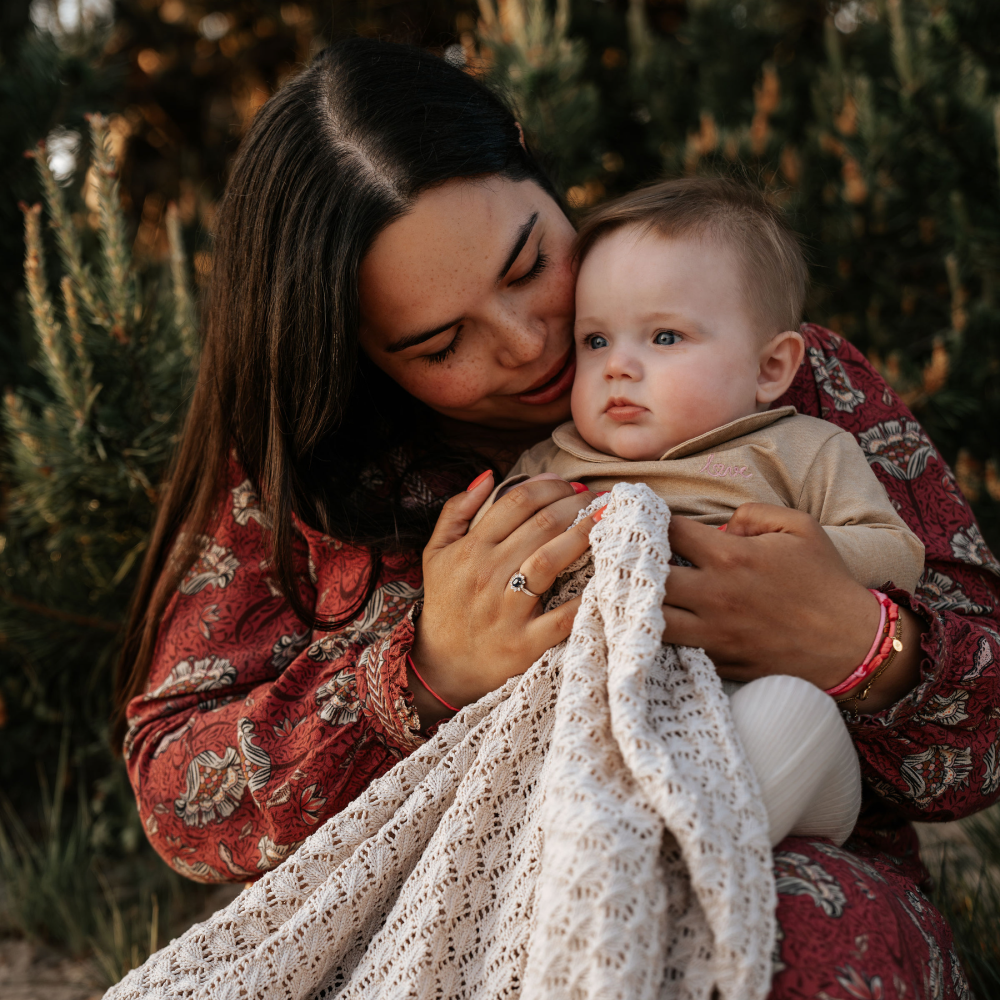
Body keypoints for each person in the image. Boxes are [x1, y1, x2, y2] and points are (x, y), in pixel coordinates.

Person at [114, 37, 998, 998]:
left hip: (778, 851)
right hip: (456, 904)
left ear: (537, 166)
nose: (529, 342)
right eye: (440, 344)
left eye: (530, 263)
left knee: (792, 940)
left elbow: (984, 741)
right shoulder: (301, 478)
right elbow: (179, 801)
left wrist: (860, 644)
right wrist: (422, 675)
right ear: (354, 352)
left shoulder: (774, 377)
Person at [472, 177, 928, 848]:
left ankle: (659, 856)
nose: (619, 367)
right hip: (589, 724)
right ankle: (623, 849)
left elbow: (899, 553)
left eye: (664, 336)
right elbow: (487, 564)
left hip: (747, 716)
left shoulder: (799, 448)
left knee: (792, 713)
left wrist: (803, 560)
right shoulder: (554, 460)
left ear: (769, 368)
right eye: (595, 341)